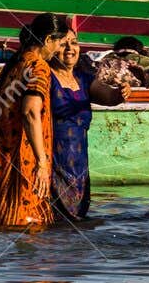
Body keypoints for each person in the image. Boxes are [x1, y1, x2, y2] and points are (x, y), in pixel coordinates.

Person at [0, 13, 71, 228]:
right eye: (59, 44)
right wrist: (42, 162)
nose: (59, 50)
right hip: (17, 161)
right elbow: (30, 113)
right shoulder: (39, 67)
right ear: (48, 39)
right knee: (26, 229)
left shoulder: (16, 62)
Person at [45, 28, 131, 220]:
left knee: (77, 224)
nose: (70, 48)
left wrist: (120, 93)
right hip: (52, 165)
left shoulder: (83, 79)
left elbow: (107, 95)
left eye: (74, 43)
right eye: (63, 43)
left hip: (78, 169)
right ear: (51, 46)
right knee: (54, 225)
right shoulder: (45, 78)